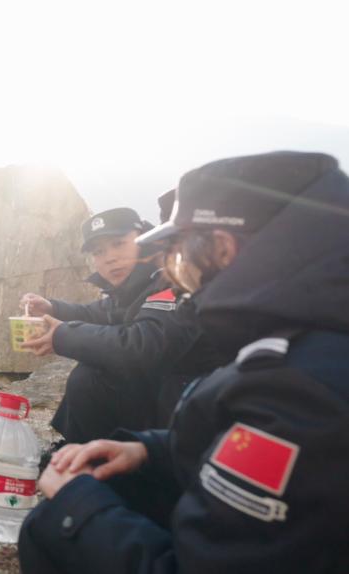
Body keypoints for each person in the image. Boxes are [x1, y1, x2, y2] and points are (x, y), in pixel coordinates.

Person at [20, 151, 349, 573]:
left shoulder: (301, 390)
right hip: (168, 436)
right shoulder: (302, 336)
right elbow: (239, 440)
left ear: (224, 249)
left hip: (166, 402)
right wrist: (150, 450)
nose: (173, 274)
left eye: (176, 256)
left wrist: (77, 505)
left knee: (49, 522)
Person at [19, 207, 223, 443]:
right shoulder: (134, 286)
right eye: (99, 252)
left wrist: (63, 336)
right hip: (162, 393)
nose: (110, 258)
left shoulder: (171, 279)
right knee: (90, 375)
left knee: (91, 378)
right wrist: (53, 309)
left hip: (193, 402)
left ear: (144, 239)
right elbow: (97, 313)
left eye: (118, 244)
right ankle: (84, 451)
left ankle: (104, 455)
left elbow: (143, 344)